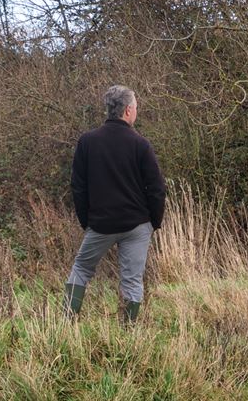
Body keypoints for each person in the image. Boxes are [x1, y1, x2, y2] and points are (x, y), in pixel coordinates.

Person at [63, 85, 166, 323]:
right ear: (128, 110)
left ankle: (67, 322)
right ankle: (128, 333)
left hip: (100, 224)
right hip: (137, 225)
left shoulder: (87, 142)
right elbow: (157, 189)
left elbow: (78, 186)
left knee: (81, 269)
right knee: (132, 280)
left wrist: (86, 221)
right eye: (137, 107)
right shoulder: (141, 144)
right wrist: (154, 223)